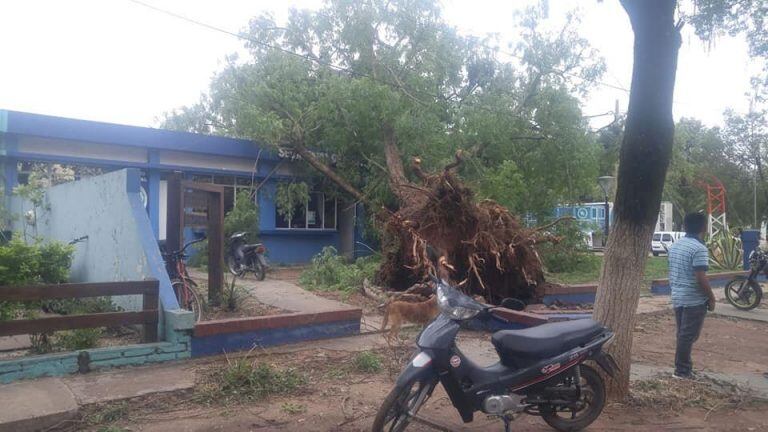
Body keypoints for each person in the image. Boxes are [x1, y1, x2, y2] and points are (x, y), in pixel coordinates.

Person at [667, 212, 716, 380]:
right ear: (703, 227)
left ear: (685, 226)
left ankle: (682, 368)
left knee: (683, 335)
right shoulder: (699, 248)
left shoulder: (676, 245)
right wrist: (711, 297)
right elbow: (701, 277)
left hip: (678, 297)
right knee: (688, 336)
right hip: (694, 300)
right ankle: (682, 371)